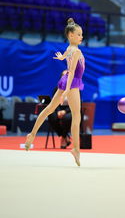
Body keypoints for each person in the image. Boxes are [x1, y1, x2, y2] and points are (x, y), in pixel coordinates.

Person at [25, 18, 85, 166]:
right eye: (78, 34)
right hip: (72, 82)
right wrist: (66, 92)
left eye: (81, 34)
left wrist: (61, 57)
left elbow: (66, 58)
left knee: (49, 108)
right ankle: (76, 149)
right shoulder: (76, 51)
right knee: (76, 116)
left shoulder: (69, 49)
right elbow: (71, 72)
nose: (81, 37)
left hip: (66, 81)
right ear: (71, 35)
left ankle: (31, 135)